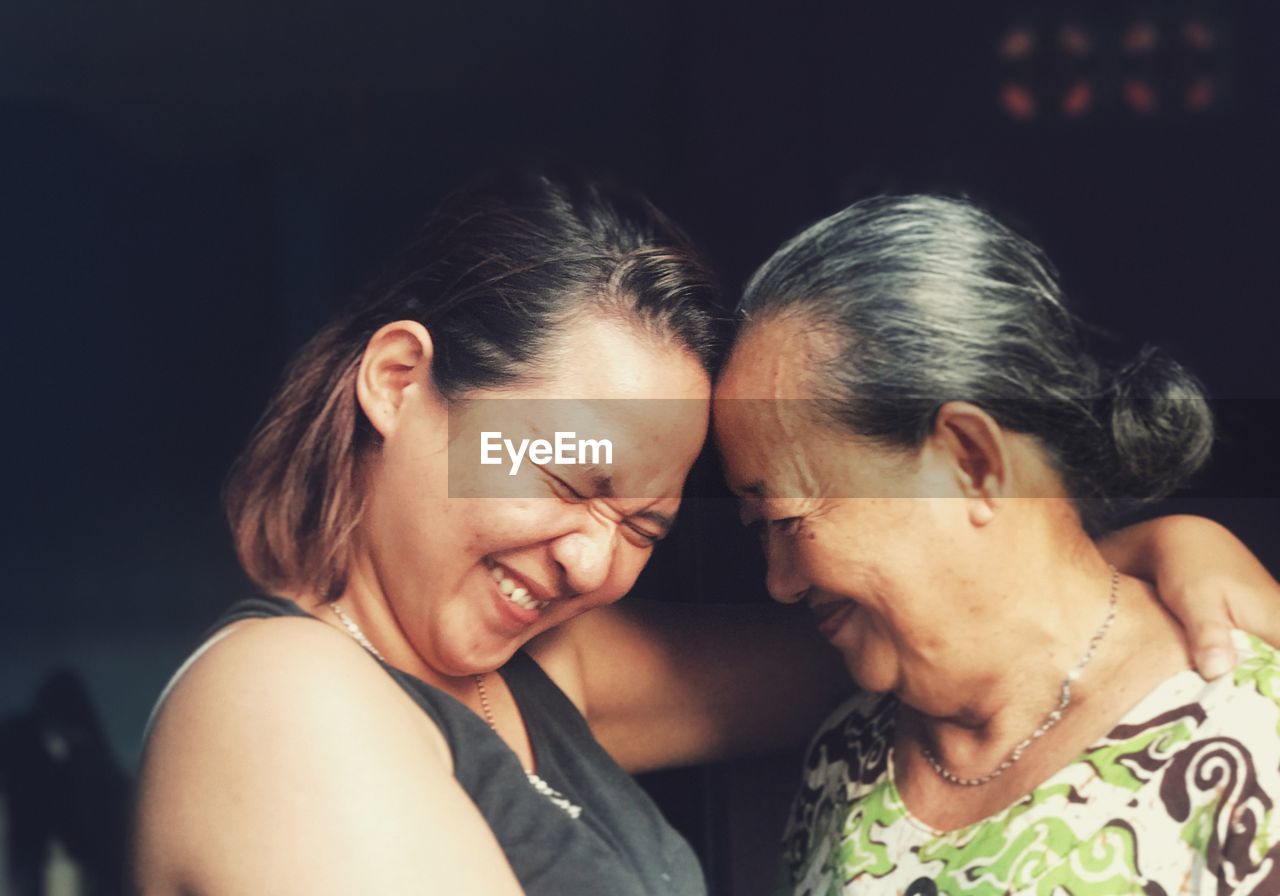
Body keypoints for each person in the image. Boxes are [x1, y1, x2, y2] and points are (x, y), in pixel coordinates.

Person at [134, 174, 1279, 896]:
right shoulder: (286, 692)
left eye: (641, 521)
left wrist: (1143, 552)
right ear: (397, 382)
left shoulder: (535, 679)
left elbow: (991, 639)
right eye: (562, 471)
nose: (592, 559)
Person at [714, 195, 1280, 894]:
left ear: (970, 461)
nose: (779, 580)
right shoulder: (848, 750)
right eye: (756, 529)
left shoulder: (1248, 740)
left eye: (790, 517)